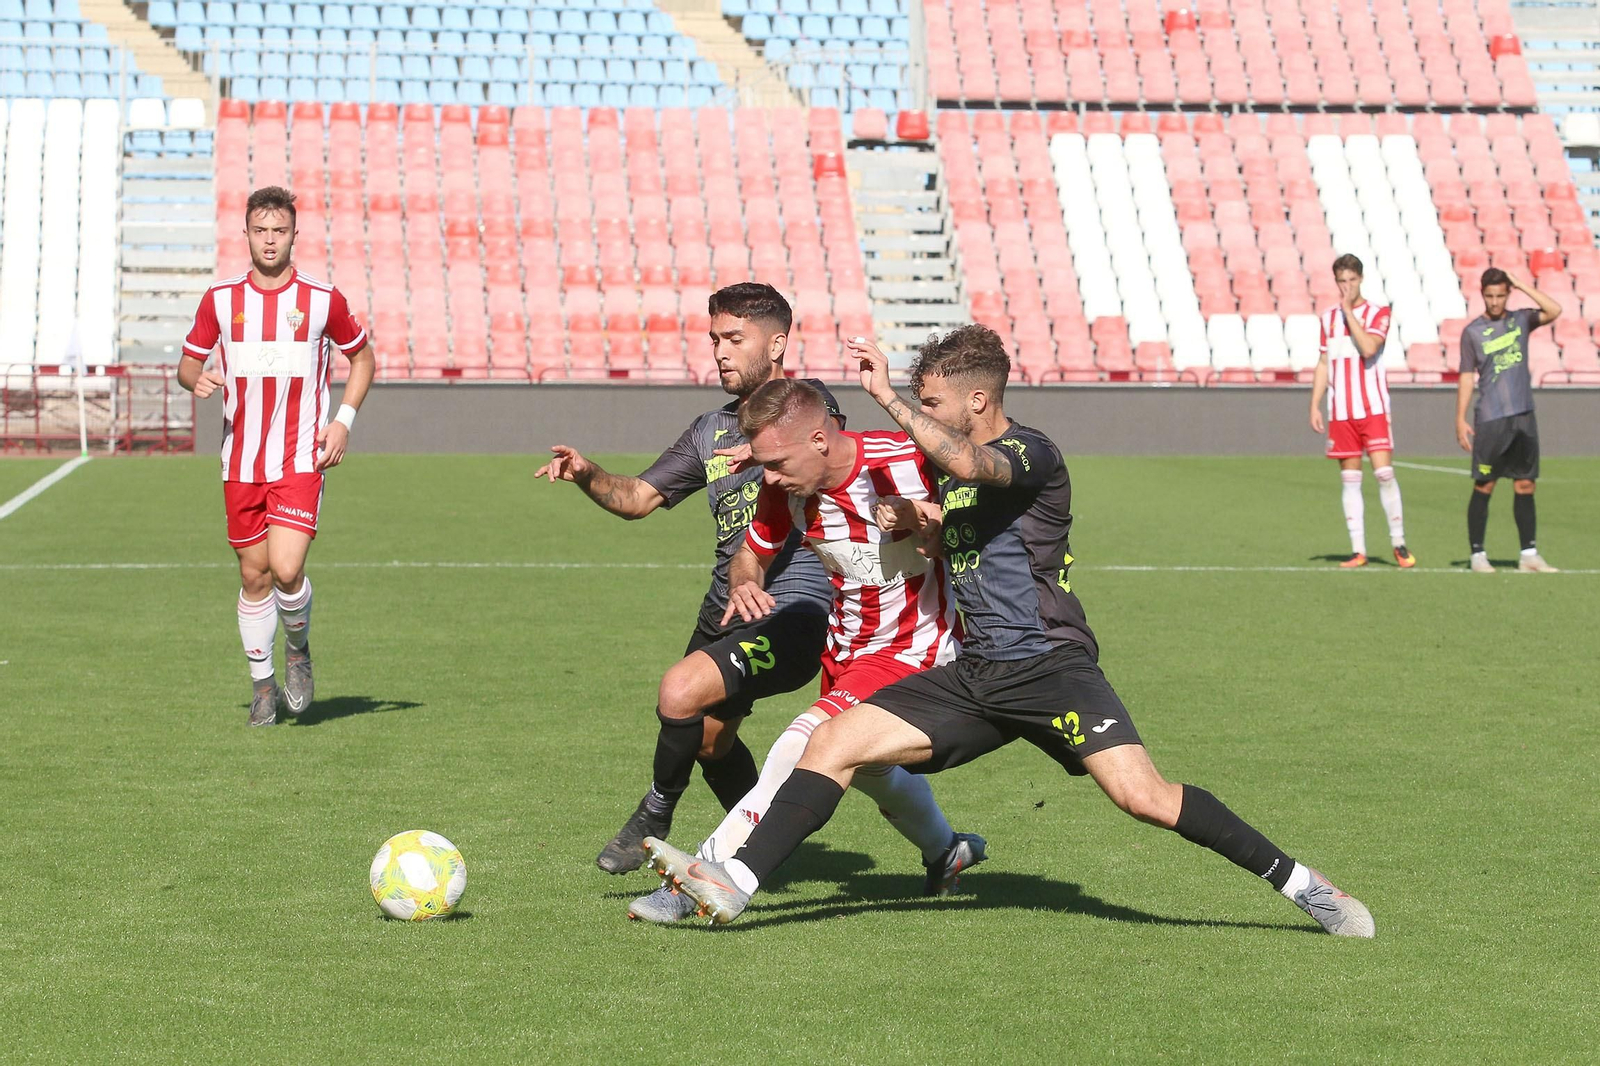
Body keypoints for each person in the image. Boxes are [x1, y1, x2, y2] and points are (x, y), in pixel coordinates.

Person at [645, 326, 1375, 937]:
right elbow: (953, 540)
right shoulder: (952, 479)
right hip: (974, 675)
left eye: (932, 401)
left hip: (1051, 668)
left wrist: (888, 399)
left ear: (977, 399)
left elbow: (966, 460)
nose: (922, 413)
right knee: (831, 741)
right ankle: (735, 881)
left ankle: (1305, 885)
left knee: (1144, 797)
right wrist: (919, 525)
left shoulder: (1031, 452)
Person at [628, 378, 981, 922]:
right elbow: (753, 551)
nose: (767, 476)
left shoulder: (906, 456)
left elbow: (971, 509)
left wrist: (922, 519)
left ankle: (706, 876)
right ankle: (946, 851)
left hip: (914, 647)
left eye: (776, 461)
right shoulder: (784, 487)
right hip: (846, 651)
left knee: (799, 744)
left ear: (820, 439)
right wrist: (746, 579)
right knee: (868, 768)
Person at [538, 284, 841, 875]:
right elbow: (636, 499)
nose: (720, 352)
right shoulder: (709, 431)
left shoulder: (812, 406)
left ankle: (656, 811)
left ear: (777, 343)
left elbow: (825, 454)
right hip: (727, 605)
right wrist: (585, 473)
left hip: (793, 605)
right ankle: (769, 850)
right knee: (707, 741)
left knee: (681, 691)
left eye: (735, 339)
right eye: (714, 340)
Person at [178, 185, 375, 727]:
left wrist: (343, 421)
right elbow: (187, 365)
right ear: (245, 234)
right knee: (254, 576)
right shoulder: (220, 299)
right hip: (239, 459)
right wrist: (198, 379)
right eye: (260, 231)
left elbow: (363, 358)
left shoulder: (321, 298)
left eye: (279, 231)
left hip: (299, 457)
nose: (269, 240)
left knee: (287, 569)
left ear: (294, 235)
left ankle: (298, 651)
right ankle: (262, 686)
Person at [1308, 254, 1413, 569]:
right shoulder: (1327, 319)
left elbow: (1368, 348)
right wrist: (1314, 403)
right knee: (1350, 479)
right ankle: (1358, 550)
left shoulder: (1378, 312)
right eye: (1341, 281)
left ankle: (1398, 543)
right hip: (1341, 412)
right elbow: (1324, 362)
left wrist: (1348, 313)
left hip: (1373, 408)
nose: (1347, 286)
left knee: (1384, 473)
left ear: (1361, 279)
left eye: (1351, 280)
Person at [1455, 268, 1561, 573]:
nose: (1495, 301)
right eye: (1489, 296)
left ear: (1508, 294)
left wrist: (1521, 284)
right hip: (1491, 419)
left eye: (1501, 295)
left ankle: (1529, 554)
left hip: (1524, 415)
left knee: (1526, 485)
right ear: (1482, 295)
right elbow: (1465, 377)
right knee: (1485, 485)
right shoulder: (1472, 332)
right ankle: (1477, 554)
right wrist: (1460, 418)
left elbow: (1554, 310)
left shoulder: (1521, 320)